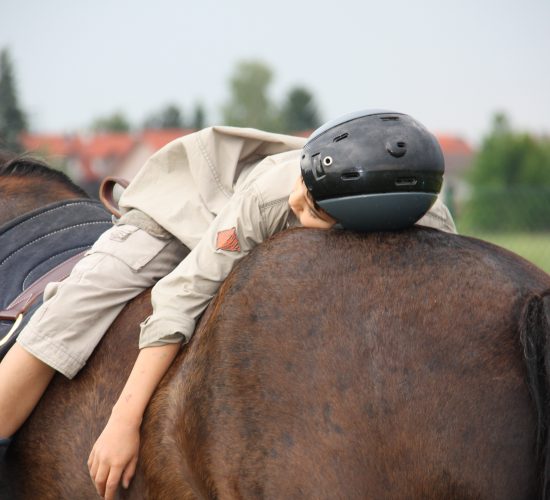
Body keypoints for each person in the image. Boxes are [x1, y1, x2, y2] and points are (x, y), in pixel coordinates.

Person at [0, 110, 456, 499]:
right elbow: (180, 296)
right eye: (303, 191)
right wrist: (123, 420)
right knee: (68, 309)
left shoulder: (431, 220)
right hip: (185, 210)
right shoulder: (273, 193)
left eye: (312, 211)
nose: (299, 199)